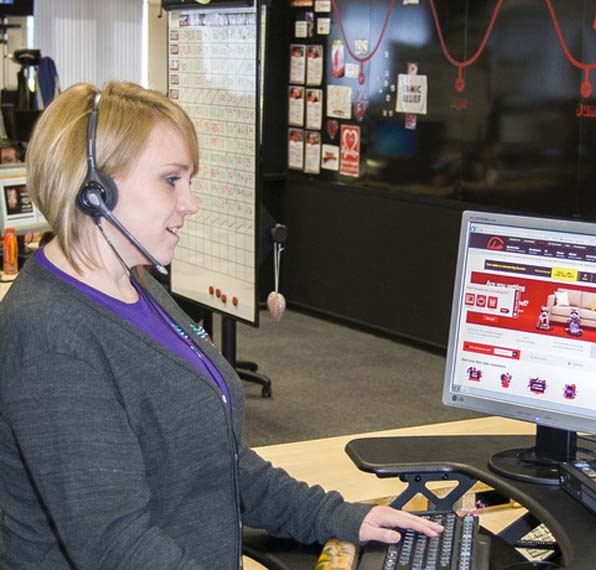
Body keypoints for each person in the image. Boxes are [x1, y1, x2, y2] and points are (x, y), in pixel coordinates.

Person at [0, 81, 442, 569]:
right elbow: (117, 546)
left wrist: (335, 515)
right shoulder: (49, 334)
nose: (191, 202)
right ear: (94, 191)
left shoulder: (136, 284)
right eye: (171, 179)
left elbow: (217, 460)